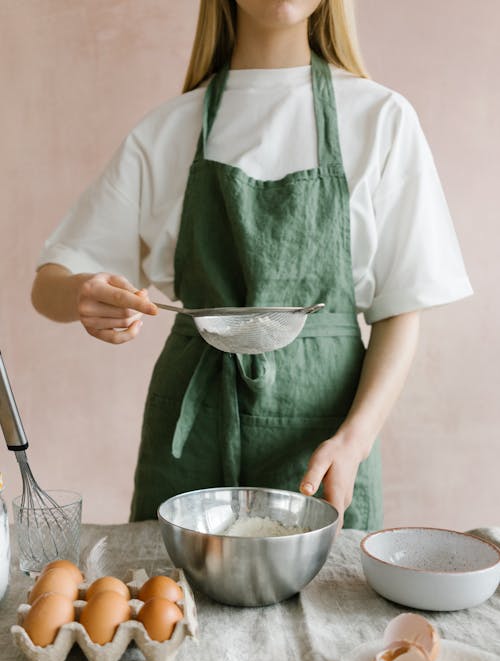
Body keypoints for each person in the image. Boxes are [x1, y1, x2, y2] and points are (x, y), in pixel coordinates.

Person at [31, 0, 472, 530]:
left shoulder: (381, 119)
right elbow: (50, 284)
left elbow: (401, 307)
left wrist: (355, 440)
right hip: (190, 439)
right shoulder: (168, 129)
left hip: (327, 442)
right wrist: (84, 292)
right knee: (175, 604)